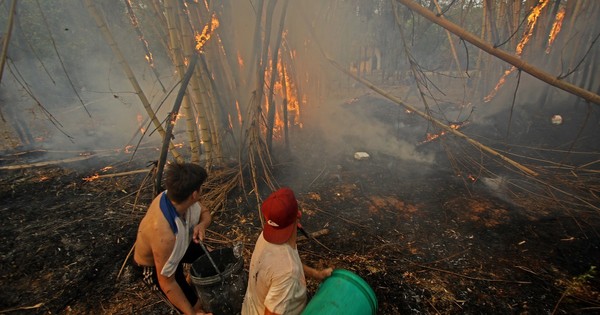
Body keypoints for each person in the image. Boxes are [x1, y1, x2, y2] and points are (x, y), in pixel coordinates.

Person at [133, 162, 213, 315]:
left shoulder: (177, 197)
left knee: (211, 258)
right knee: (196, 308)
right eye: (201, 187)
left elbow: (205, 212)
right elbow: (167, 283)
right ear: (195, 194)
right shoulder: (165, 234)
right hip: (157, 268)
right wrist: (191, 313)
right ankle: (193, 303)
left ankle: (190, 284)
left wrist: (201, 225)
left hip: (180, 245)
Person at [242, 188, 333, 315]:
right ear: (298, 215)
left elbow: (285, 264)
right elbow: (286, 269)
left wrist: (316, 274)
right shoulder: (288, 271)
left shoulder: (266, 235)